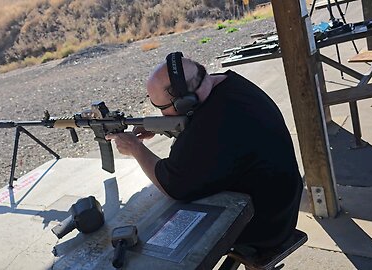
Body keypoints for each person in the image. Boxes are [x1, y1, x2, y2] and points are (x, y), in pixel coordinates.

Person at [105, 52, 303, 248]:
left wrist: (135, 148)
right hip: (281, 203)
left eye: (162, 108)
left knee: (156, 237)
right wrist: (160, 124)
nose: (161, 114)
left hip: (263, 225)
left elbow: (173, 185)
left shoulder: (212, 123)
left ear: (185, 103)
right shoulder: (228, 83)